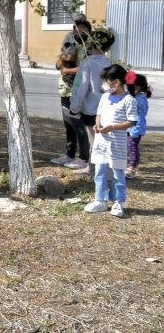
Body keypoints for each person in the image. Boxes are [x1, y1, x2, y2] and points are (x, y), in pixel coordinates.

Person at [83, 64, 137, 218]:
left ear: (117, 82)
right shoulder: (105, 97)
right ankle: (100, 199)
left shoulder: (128, 100)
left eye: (107, 81)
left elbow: (131, 122)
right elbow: (99, 112)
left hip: (117, 144)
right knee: (99, 171)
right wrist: (98, 124)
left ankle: (118, 202)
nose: (104, 85)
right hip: (101, 142)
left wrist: (113, 127)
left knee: (117, 173)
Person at [67, 27, 115, 175]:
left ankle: (94, 169)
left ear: (91, 44)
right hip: (108, 109)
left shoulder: (87, 64)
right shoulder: (110, 64)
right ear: (108, 47)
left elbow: (80, 87)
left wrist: (74, 108)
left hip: (91, 110)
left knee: (93, 140)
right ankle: (105, 168)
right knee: (105, 140)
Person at [51, 18, 92, 166]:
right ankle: (69, 154)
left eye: (83, 29)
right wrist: (62, 58)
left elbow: (85, 68)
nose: (79, 32)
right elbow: (57, 66)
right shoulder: (69, 45)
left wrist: (67, 70)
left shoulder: (88, 49)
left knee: (79, 126)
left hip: (78, 91)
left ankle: (83, 158)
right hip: (64, 90)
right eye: (77, 29)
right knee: (68, 125)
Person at [125, 71, 151, 179]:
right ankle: (129, 164)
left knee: (133, 147)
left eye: (130, 87)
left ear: (138, 88)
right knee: (129, 147)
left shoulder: (139, 99)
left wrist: (135, 130)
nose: (128, 89)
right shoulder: (135, 96)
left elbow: (140, 116)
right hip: (129, 127)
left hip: (135, 128)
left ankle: (132, 168)